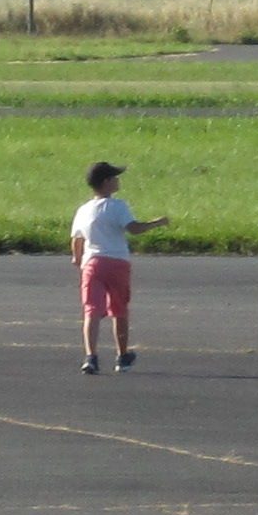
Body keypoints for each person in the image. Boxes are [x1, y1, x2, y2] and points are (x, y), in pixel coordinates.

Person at [67, 160, 169, 375]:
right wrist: (157, 223)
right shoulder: (118, 206)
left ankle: (90, 356)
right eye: (114, 177)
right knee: (119, 309)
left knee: (91, 310)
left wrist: (78, 258)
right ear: (106, 182)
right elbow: (134, 229)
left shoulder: (84, 209)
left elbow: (77, 239)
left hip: (92, 263)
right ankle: (122, 356)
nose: (117, 181)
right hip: (116, 262)